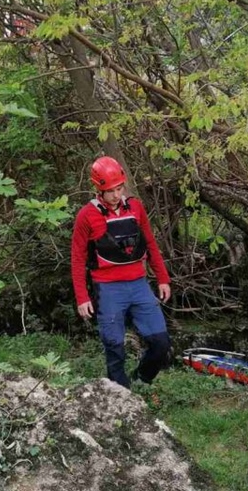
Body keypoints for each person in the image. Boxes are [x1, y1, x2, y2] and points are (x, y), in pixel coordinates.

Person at [71, 155, 172, 389]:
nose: (116, 195)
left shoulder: (135, 207)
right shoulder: (87, 215)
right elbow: (77, 259)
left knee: (160, 342)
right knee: (114, 344)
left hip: (139, 284)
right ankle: (120, 395)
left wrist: (163, 278)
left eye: (119, 188)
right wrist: (82, 297)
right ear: (99, 189)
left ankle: (142, 378)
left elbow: (150, 243)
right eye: (111, 191)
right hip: (108, 288)